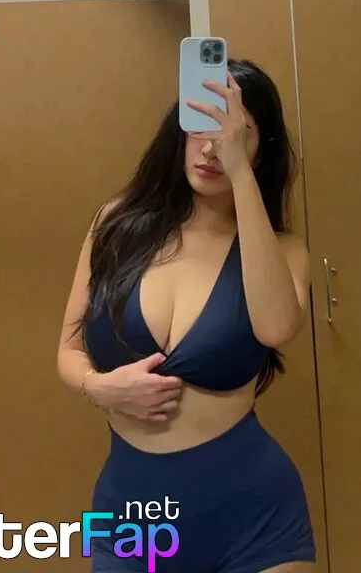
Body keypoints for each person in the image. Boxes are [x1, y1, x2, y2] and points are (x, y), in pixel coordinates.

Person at [57, 57, 316, 572]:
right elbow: (68, 348)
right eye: (199, 126)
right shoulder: (115, 223)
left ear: (259, 149)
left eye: (232, 132)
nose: (210, 148)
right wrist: (97, 387)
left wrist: (240, 175)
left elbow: (276, 328)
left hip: (254, 520)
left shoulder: (284, 251)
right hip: (129, 515)